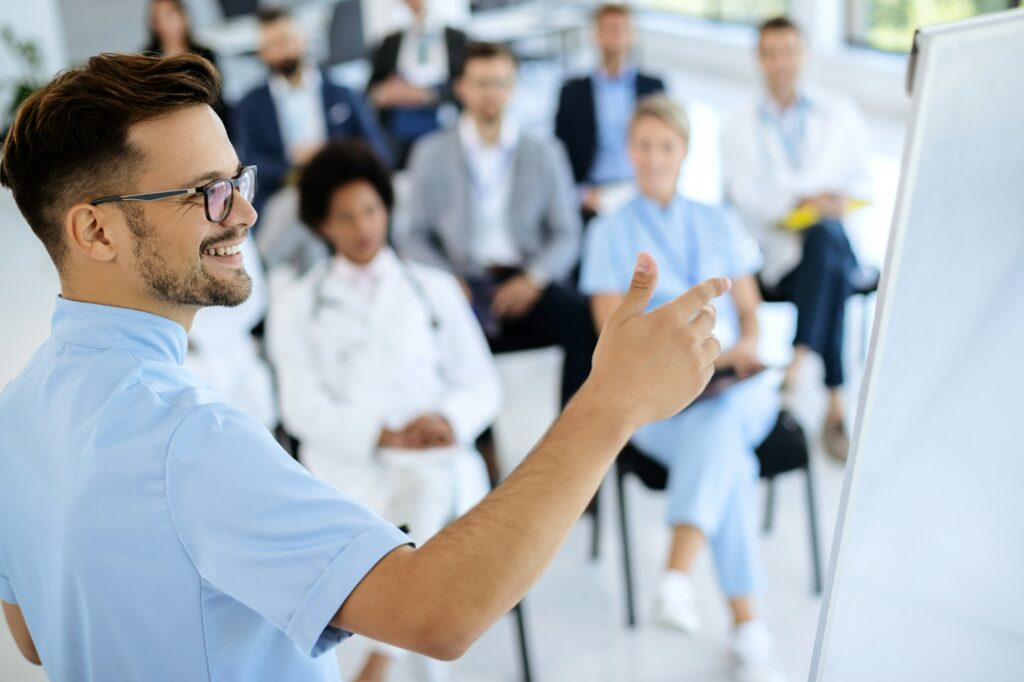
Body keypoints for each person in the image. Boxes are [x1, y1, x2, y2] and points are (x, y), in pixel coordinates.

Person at [0, 51, 730, 680]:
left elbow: (33, 634)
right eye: (206, 193)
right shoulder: (189, 440)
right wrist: (611, 403)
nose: (244, 215)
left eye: (237, 181)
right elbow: (441, 612)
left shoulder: (17, 412)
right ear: (97, 231)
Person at [267, 140, 500, 681]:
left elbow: (482, 382)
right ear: (322, 225)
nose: (363, 227)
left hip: (437, 460)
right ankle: (401, 660)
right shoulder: (298, 305)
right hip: (353, 473)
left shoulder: (433, 289)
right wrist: (383, 435)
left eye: (371, 210)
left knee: (430, 486)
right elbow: (300, 407)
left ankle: (379, 660)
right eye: (345, 217)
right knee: (424, 517)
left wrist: (447, 419)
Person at [580, 95, 786, 682]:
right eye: (643, 145)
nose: (653, 157)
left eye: (665, 146)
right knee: (728, 456)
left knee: (723, 421)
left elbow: (751, 312)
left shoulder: (717, 220)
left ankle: (677, 574)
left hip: (735, 386)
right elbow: (611, 337)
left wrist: (746, 345)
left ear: (685, 151)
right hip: (660, 399)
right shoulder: (610, 232)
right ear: (629, 151)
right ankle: (748, 629)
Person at [401, 42, 591, 406]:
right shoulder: (430, 153)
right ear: (461, 87)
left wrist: (534, 278)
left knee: (583, 319)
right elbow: (414, 236)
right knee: (425, 335)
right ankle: (470, 432)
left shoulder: (545, 152)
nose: (492, 93)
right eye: (482, 83)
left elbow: (567, 233)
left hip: (525, 276)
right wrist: (449, 282)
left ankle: (574, 423)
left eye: (501, 83)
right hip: (461, 278)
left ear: (514, 87)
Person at [721, 16, 873, 462]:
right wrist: (800, 201)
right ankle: (835, 402)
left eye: (788, 51)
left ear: (803, 54)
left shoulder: (839, 112)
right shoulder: (737, 126)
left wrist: (835, 199)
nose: (781, 62)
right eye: (770, 53)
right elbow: (744, 201)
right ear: (759, 59)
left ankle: (800, 358)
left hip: (834, 239)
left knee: (827, 240)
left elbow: (864, 182)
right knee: (829, 260)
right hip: (780, 256)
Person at [234, 8, 392, 215]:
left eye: (286, 40)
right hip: (286, 193)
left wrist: (331, 153)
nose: (282, 51)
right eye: (272, 45)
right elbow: (250, 163)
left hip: (343, 183)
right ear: (262, 52)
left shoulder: (342, 93)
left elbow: (377, 148)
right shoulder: (250, 105)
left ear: (304, 40)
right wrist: (293, 163)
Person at [555, 3, 665, 218]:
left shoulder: (653, 88)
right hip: (591, 197)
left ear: (632, 35)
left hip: (642, 191)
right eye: (608, 29)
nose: (615, 36)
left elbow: (666, 144)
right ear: (594, 35)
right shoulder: (572, 92)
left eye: (621, 29)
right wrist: (580, 194)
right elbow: (559, 153)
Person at [367, 0, 469, 168]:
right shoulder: (391, 43)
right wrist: (385, 93)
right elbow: (371, 91)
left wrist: (426, 94)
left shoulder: (456, 39)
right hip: (399, 129)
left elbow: (465, 85)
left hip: (444, 120)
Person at [143, 0, 231, 134]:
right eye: (159, 17)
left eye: (170, 14)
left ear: (184, 16)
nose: (167, 21)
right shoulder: (147, 60)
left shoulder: (206, 55)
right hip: (164, 128)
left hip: (205, 125)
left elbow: (216, 98)